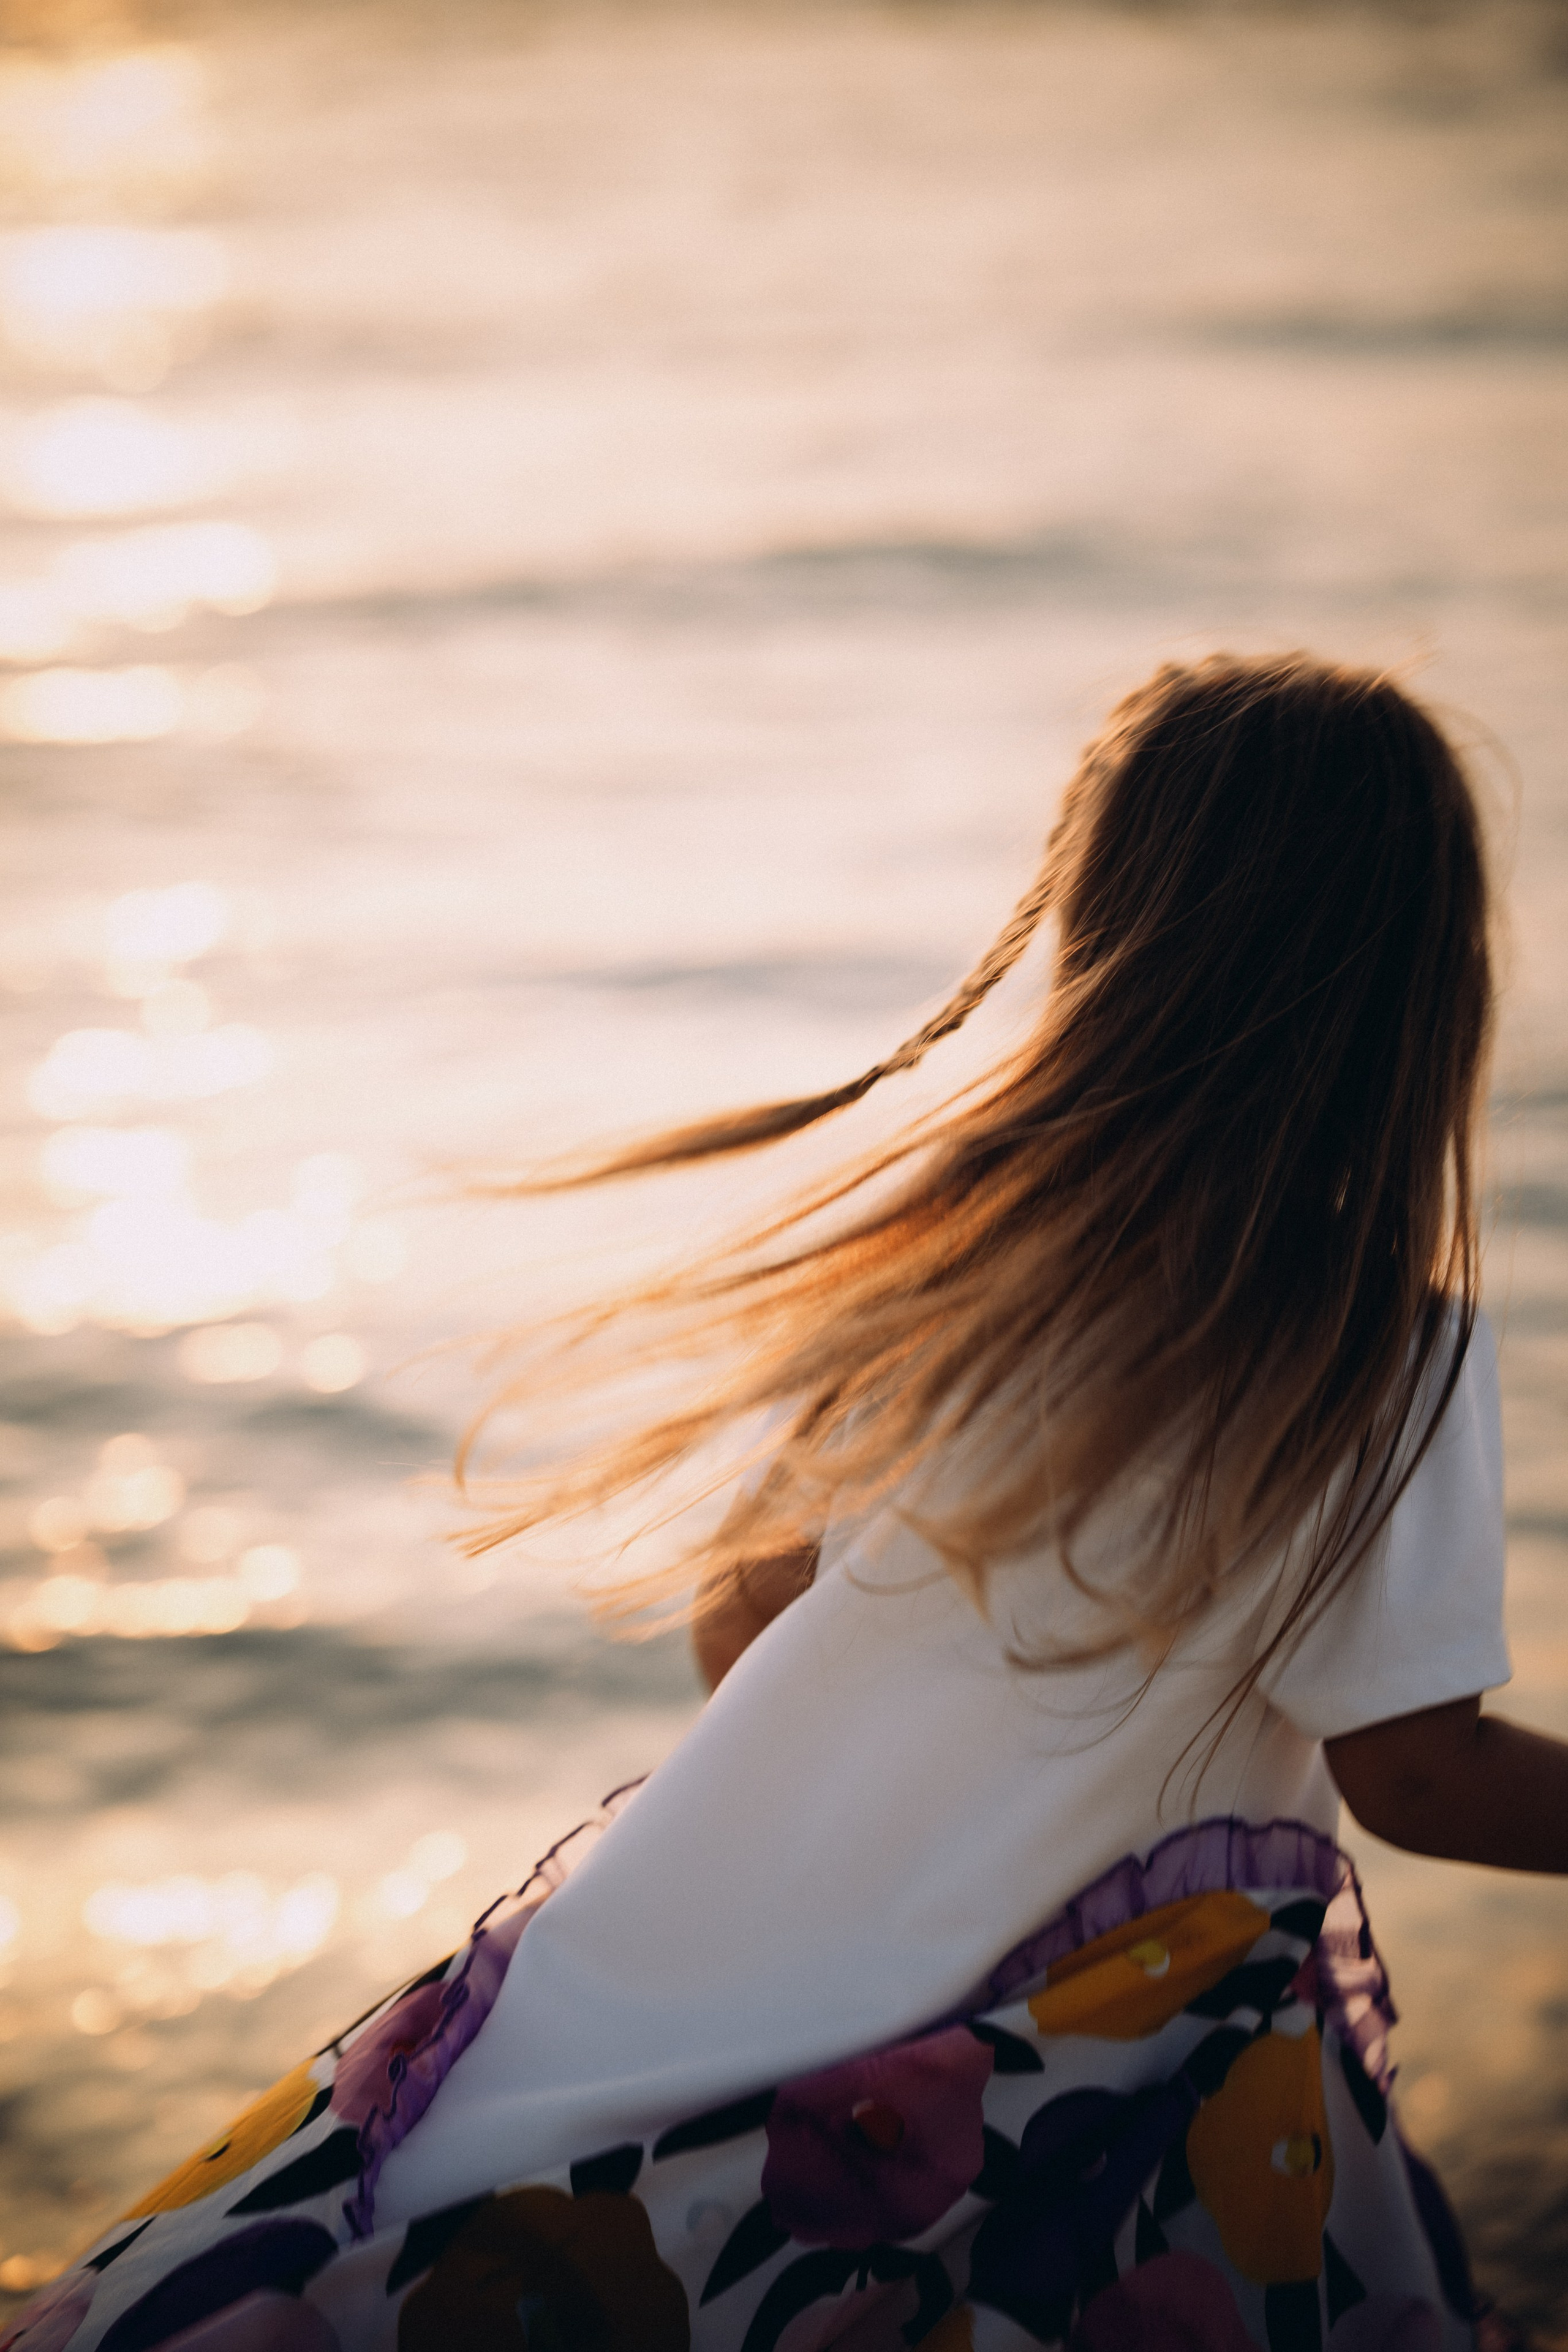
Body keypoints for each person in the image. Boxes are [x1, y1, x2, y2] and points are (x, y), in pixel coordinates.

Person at [19, 653, 1567, 2352]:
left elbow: (746, 1616)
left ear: (1105, 923)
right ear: (1418, 986)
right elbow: (1413, 1773)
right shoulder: (1383, 1344)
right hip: (1069, 2066)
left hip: (684, 1978)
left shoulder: (960, 1259)